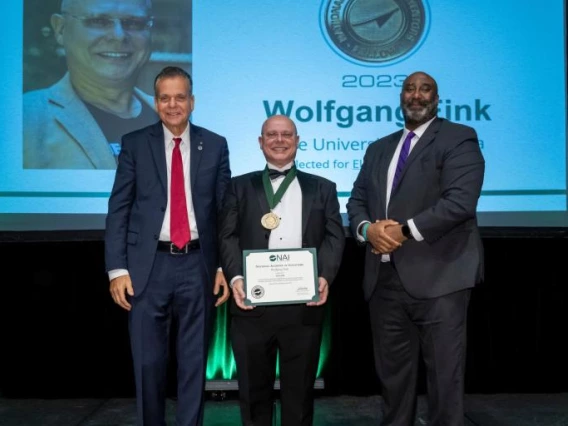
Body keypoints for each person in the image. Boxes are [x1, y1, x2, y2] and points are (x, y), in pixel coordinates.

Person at [346, 71, 485, 426]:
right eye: (410, 89)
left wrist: (403, 231)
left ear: (437, 98)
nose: (417, 95)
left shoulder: (459, 138)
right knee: (393, 383)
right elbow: (358, 199)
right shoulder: (379, 147)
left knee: (444, 383)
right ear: (401, 96)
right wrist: (367, 229)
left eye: (425, 89)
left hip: (441, 279)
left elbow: (459, 203)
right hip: (384, 281)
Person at [104, 66, 231, 426]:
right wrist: (117, 268)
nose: (172, 105)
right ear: (156, 102)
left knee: (193, 363)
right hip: (148, 268)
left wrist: (223, 266)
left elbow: (224, 212)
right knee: (147, 363)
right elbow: (119, 209)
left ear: (192, 102)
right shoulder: (134, 143)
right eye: (164, 98)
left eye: (180, 97)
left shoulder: (216, 144)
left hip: (198, 266)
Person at [218, 114, 346, 426]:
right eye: (271, 135)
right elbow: (226, 235)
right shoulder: (238, 187)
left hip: (303, 307)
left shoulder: (324, 188)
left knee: (299, 395)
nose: (279, 140)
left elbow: (334, 236)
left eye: (286, 134)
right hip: (251, 305)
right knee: (253, 394)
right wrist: (235, 277)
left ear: (298, 141)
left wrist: (324, 275)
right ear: (260, 143)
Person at [24, 0, 157, 169]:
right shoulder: (22, 121)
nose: (119, 35)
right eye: (98, 21)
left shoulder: (181, 120)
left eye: (134, 23)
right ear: (60, 29)